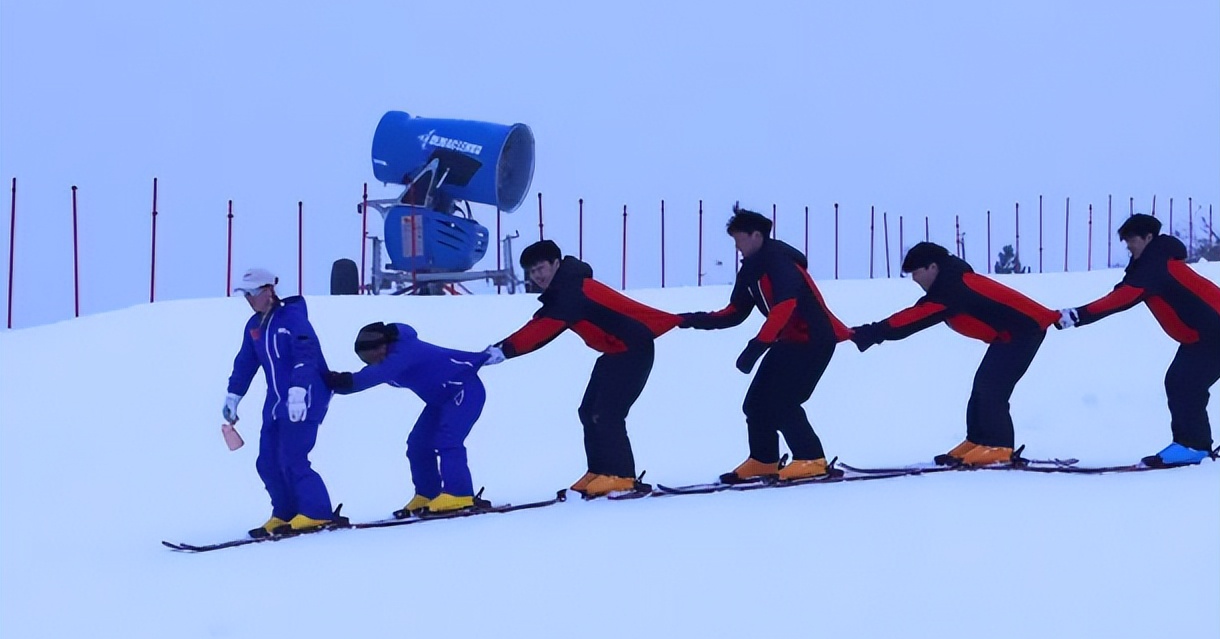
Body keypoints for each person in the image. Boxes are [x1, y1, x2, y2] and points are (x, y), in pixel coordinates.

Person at [487, 239, 679, 497]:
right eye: (532, 272)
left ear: (556, 263)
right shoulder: (564, 290)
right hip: (614, 351)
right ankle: (599, 470)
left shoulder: (571, 290)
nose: (537, 276)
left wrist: (504, 350)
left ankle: (622, 476)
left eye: (541, 268)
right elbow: (541, 322)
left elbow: (542, 330)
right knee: (588, 410)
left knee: (607, 413)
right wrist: (501, 347)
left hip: (633, 349)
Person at [677, 207, 852, 483]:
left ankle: (811, 459)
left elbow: (785, 305)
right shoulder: (751, 270)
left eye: (739, 240)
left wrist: (757, 346)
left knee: (783, 402)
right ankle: (764, 460)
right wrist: (690, 319)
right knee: (756, 403)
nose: (736, 247)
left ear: (756, 236)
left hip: (814, 341)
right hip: (787, 341)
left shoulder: (779, 261)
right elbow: (734, 312)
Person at [851, 241, 1059, 465]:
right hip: (1010, 335)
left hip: (1025, 332)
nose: (914, 279)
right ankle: (978, 441)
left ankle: (998, 447)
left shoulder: (952, 288)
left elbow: (914, 318)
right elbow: (918, 312)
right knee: (982, 386)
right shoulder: (950, 283)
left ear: (932, 267)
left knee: (992, 387)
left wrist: (873, 332)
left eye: (916, 272)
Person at [1055, 213, 1220, 466]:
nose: (1128, 246)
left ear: (1148, 237)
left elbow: (1122, 299)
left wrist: (1078, 315)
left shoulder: (1155, 267)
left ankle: (1193, 446)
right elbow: (1123, 291)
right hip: (1202, 337)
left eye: (1132, 240)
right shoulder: (1152, 264)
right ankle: (1191, 444)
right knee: (1180, 382)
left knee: (1184, 384)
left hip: (1214, 334)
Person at [325, 322, 492, 514]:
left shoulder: (404, 351)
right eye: (367, 360)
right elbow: (378, 371)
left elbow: (377, 374)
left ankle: (459, 494)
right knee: (418, 444)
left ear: (384, 344)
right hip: (440, 399)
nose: (375, 360)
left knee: (448, 439)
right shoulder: (386, 359)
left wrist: (344, 382)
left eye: (375, 353)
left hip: (465, 390)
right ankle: (428, 493)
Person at [223, 268, 340, 535]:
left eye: (252, 294)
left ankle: (316, 512)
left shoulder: (292, 318)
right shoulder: (254, 326)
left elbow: (306, 354)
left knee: (292, 456)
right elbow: (245, 363)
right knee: (267, 461)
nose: (248, 300)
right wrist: (234, 395)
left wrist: (299, 390)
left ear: (268, 291)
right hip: (276, 403)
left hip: (306, 397)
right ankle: (285, 512)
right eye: (245, 295)